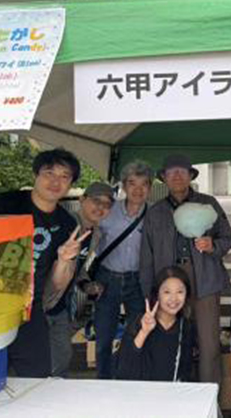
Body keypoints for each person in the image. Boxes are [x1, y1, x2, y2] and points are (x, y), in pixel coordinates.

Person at [0, 148, 82, 377]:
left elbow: (56, 284)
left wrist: (64, 260)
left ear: (70, 184)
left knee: (37, 374)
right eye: (49, 173)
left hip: (28, 310)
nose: (55, 182)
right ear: (36, 174)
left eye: (64, 176)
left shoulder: (67, 224)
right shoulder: (5, 204)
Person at [140, 154, 231, 384]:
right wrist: (149, 291)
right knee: (170, 339)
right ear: (164, 178)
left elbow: (227, 238)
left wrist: (213, 245)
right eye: (171, 172)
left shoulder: (208, 203)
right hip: (168, 282)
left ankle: (210, 396)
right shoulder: (155, 212)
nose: (177, 176)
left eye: (182, 171)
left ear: (191, 175)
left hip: (204, 278)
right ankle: (174, 394)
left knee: (209, 343)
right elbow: (146, 255)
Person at [43, 181, 114, 377]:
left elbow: (81, 268)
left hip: (61, 306)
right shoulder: (64, 225)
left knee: (61, 358)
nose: (100, 208)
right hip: (41, 303)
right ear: (82, 200)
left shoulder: (96, 234)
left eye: (107, 204)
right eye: (96, 201)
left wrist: (85, 284)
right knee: (44, 360)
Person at [94, 161, 152, 379]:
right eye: (132, 183)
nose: (138, 189)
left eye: (144, 184)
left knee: (138, 333)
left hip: (138, 281)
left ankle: (132, 378)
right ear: (124, 186)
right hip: (107, 279)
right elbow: (92, 236)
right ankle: (104, 380)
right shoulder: (108, 210)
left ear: (150, 187)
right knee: (104, 336)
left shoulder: (154, 215)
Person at [116, 266, 195, 382]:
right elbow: (124, 371)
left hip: (169, 392)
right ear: (157, 294)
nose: (174, 298)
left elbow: (185, 372)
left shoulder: (186, 327)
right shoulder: (139, 322)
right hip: (140, 390)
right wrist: (144, 332)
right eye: (167, 292)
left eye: (180, 292)